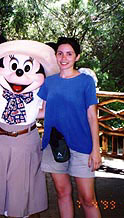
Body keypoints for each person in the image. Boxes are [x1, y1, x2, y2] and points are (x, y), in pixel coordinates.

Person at [0, 39, 59, 217]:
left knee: (23, 185)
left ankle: (22, 213)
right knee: (1, 181)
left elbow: (44, 111)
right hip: (1, 138)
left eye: (27, 68)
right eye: (13, 66)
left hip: (26, 138)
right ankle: (7, 212)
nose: (19, 72)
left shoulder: (39, 91)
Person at [38, 37, 102, 218]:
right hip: (54, 144)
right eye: (60, 53)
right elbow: (42, 111)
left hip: (82, 145)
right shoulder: (49, 82)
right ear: (55, 56)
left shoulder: (86, 81)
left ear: (77, 57)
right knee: (62, 193)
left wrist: (95, 149)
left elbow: (92, 116)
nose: (64, 58)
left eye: (69, 54)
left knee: (88, 199)